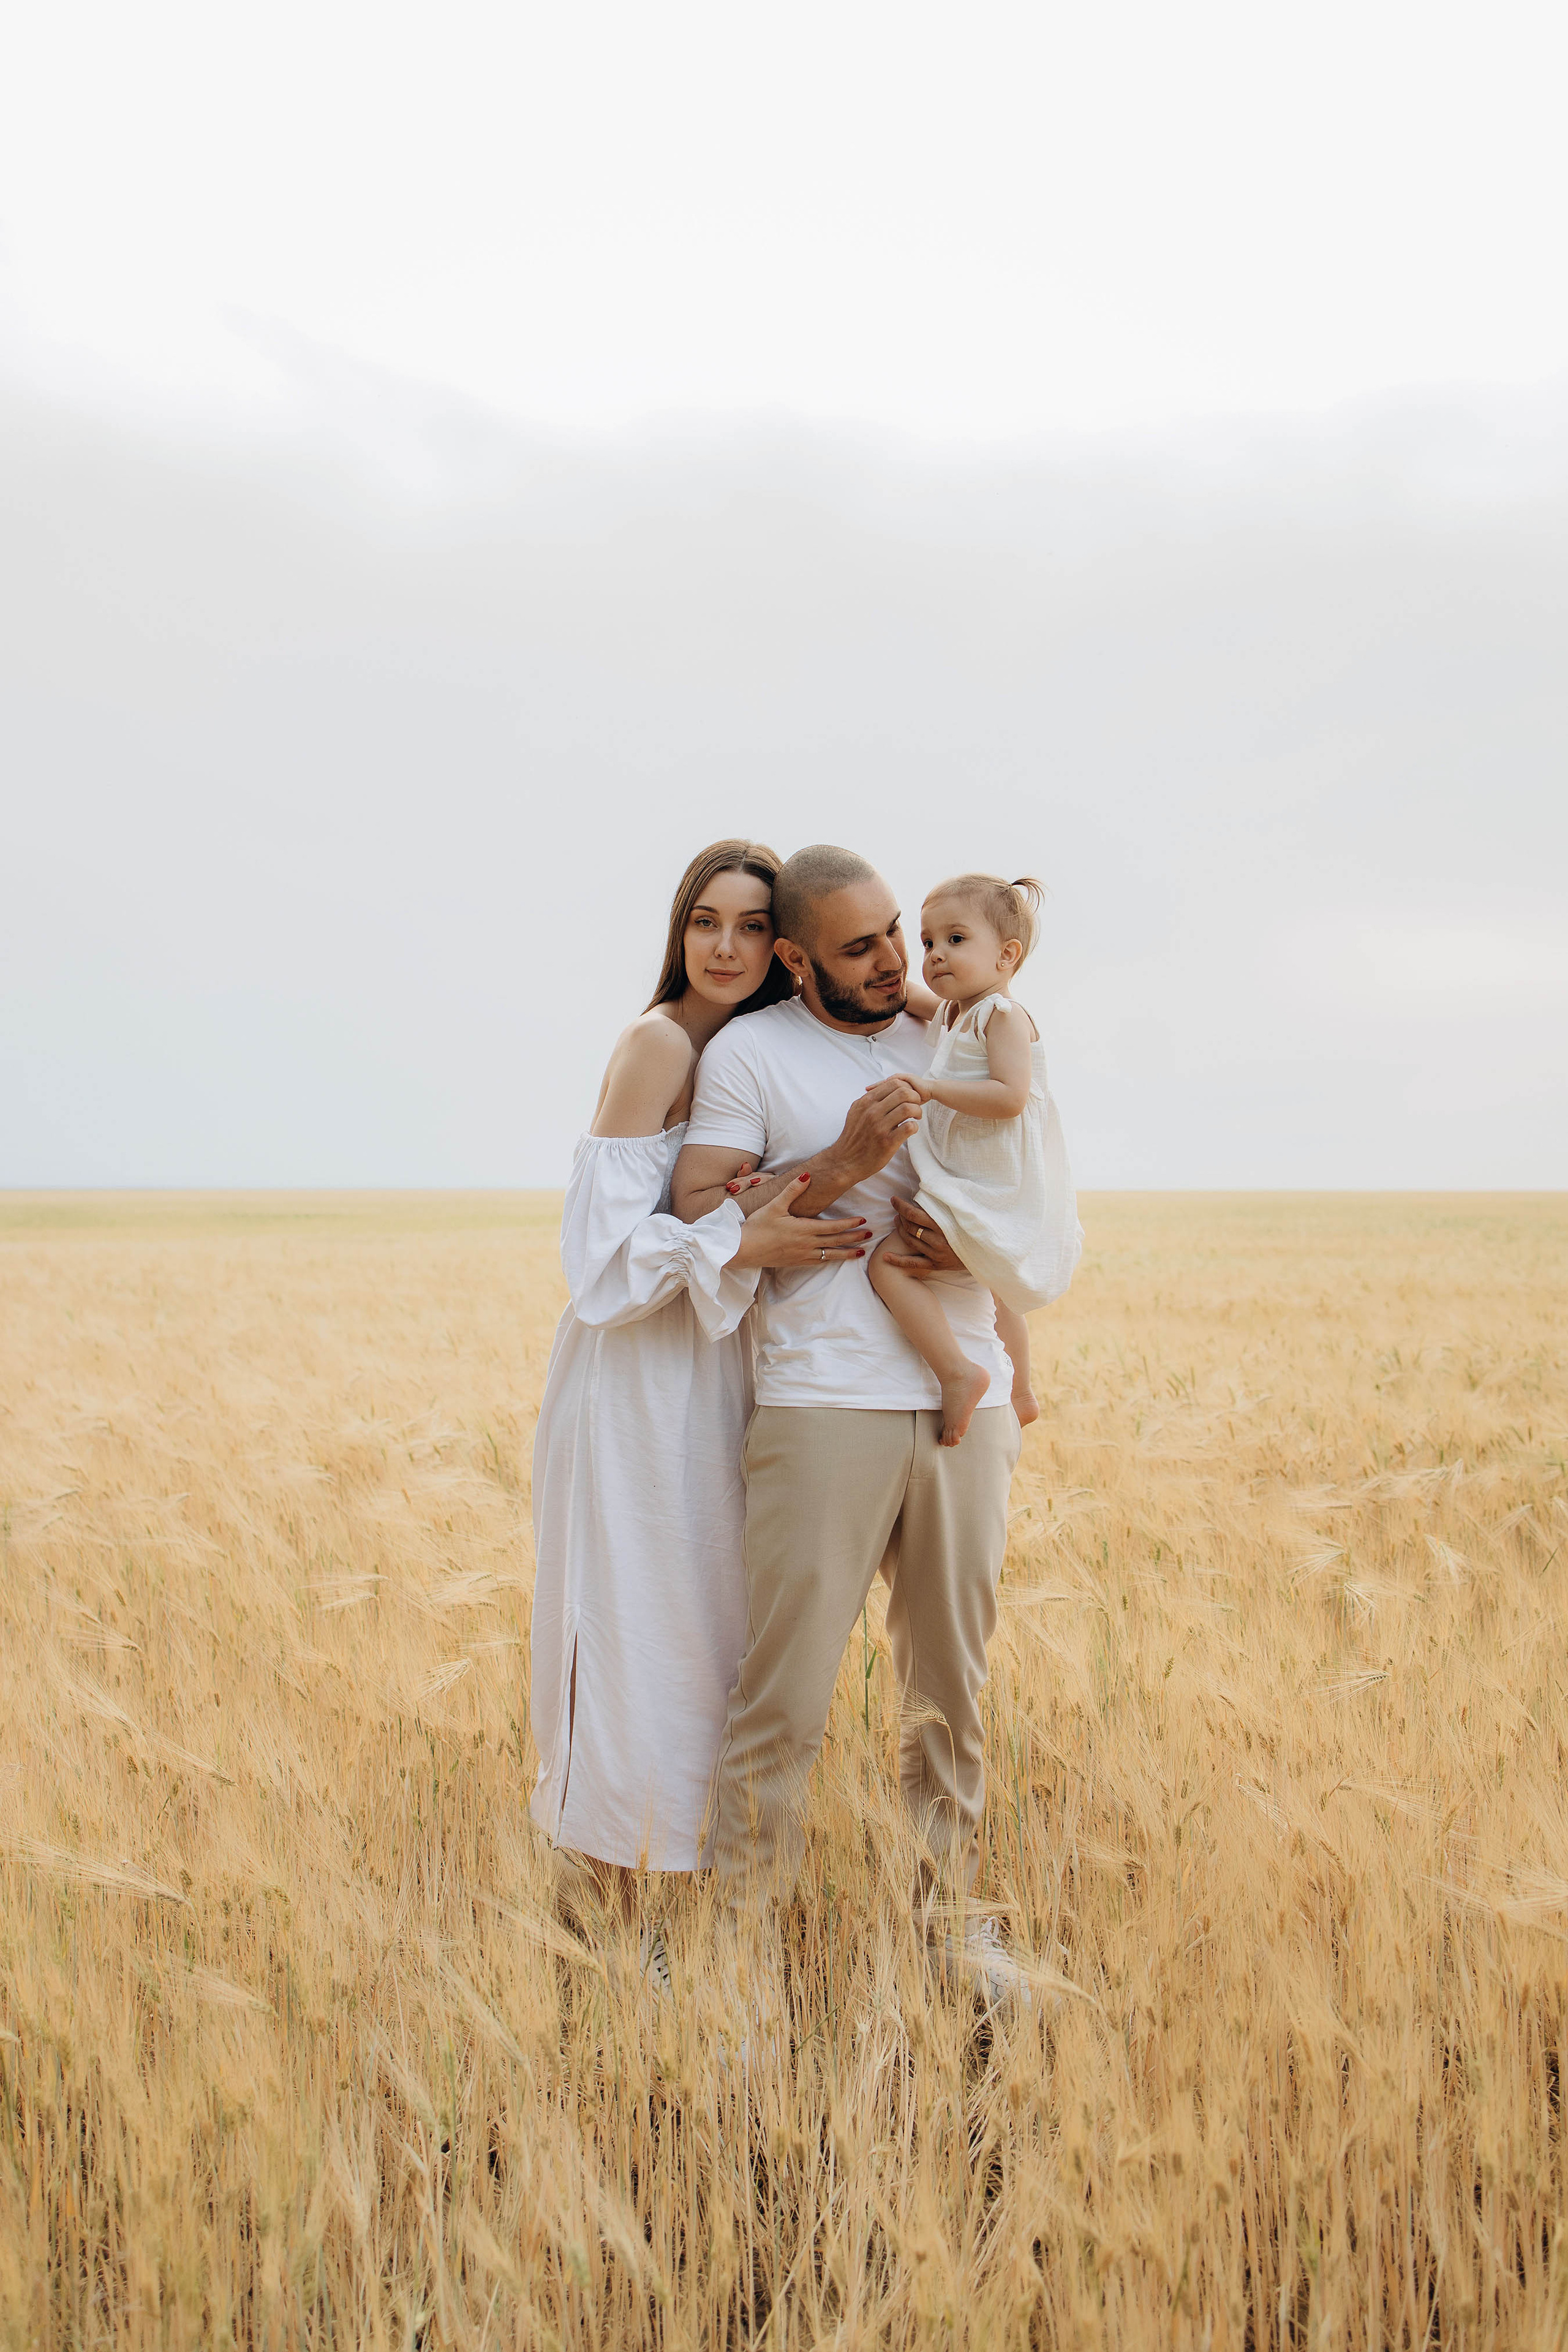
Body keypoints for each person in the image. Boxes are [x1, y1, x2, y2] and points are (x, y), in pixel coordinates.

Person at [672, 842, 1032, 2005]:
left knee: (952, 1682)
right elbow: (698, 1218)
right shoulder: (750, 1055)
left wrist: (979, 1274)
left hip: (959, 1389)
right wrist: (841, 1162)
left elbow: (1022, 1184)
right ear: (794, 958)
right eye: (861, 947)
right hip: (824, 1398)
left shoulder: (958, 1029)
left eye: (897, 934)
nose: (895, 963)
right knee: (782, 1692)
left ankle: (953, 1930)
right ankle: (736, 1951)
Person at [527, 840, 869, 1969]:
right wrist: (744, 1234)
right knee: (629, 1625)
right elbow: (599, 1263)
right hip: (636, 1376)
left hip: (719, 1363)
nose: (726, 948)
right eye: (704, 923)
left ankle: (673, 1914)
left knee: (706, 1626)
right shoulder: (658, 1043)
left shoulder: (759, 1051)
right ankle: (611, 1921)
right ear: (679, 933)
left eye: (749, 927)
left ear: (785, 949)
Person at [867, 873, 1082, 1445]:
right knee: (994, 1278)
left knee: (888, 1263)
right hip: (965, 1173)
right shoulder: (953, 1013)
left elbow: (1011, 1098)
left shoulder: (1002, 1018)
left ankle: (959, 1373)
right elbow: (900, 995)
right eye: (929, 941)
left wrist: (932, 1089)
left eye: (956, 940)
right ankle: (1022, 1395)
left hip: (990, 1179)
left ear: (1006, 956)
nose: (936, 955)